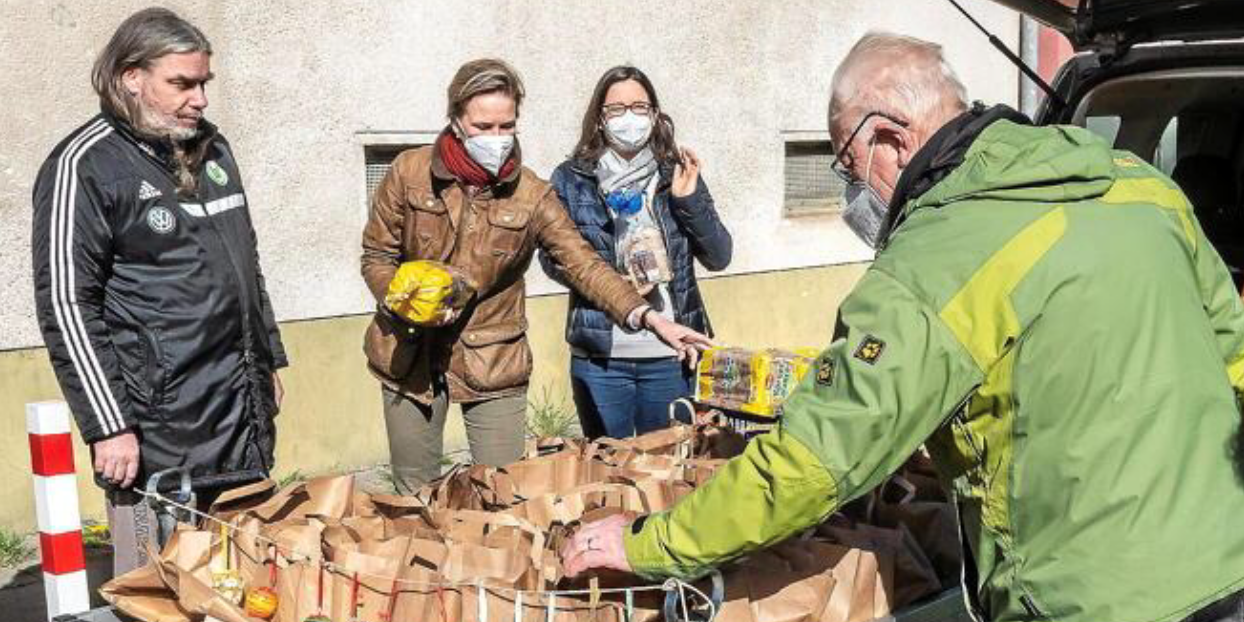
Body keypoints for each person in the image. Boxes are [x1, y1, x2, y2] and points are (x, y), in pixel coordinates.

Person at [562, 33, 1244, 622]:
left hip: (1090, 596)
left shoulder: (933, 263)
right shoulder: (1139, 184)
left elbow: (813, 463)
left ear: (888, 135)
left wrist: (648, 542)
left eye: (848, 165)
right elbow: (1234, 356)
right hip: (1226, 561)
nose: (852, 191)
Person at [360, 58, 713, 494]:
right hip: (408, 353)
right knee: (416, 493)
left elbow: (582, 263)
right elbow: (376, 255)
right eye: (483, 126)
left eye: (506, 126)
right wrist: (402, 297)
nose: (496, 139)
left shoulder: (532, 193)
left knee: (503, 493)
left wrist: (649, 317)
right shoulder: (408, 172)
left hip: (493, 357)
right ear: (455, 121)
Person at [31, 8, 287, 576]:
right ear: (131, 77)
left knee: (238, 583)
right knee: (156, 589)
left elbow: (246, 265)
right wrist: (108, 424)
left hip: (235, 409)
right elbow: (67, 304)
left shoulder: (213, 149)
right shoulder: (84, 165)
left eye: (203, 84)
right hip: (153, 429)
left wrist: (266, 360)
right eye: (182, 83)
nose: (199, 99)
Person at [538, 66, 732, 440]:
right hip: (601, 358)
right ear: (599, 119)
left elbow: (719, 255)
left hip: (670, 355)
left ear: (655, 114)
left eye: (640, 107)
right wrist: (615, 285)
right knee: (607, 473)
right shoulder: (572, 178)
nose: (630, 118)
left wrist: (687, 200)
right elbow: (552, 258)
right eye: (617, 109)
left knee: (668, 473)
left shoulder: (674, 172)